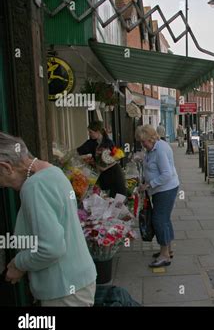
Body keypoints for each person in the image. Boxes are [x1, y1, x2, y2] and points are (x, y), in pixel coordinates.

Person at [0, 132, 97, 306]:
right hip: (75, 280)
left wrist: (18, 265)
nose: (2, 186)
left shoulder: (34, 186)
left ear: (7, 167)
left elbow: (51, 249)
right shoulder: (51, 171)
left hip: (63, 289)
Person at [135, 125, 180, 268]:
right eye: (141, 142)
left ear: (152, 138)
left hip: (165, 189)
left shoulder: (160, 149)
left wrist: (149, 185)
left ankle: (164, 255)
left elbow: (167, 174)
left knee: (159, 220)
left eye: (144, 142)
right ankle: (168, 249)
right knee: (164, 219)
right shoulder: (152, 148)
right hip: (160, 190)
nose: (143, 145)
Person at [77, 121, 127, 198]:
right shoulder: (91, 142)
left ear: (98, 132)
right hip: (102, 176)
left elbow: (113, 160)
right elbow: (78, 151)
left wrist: (99, 165)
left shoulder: (108, 143)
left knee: (116, 199)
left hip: (113, 175)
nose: (89, 134)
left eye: (90, 132)